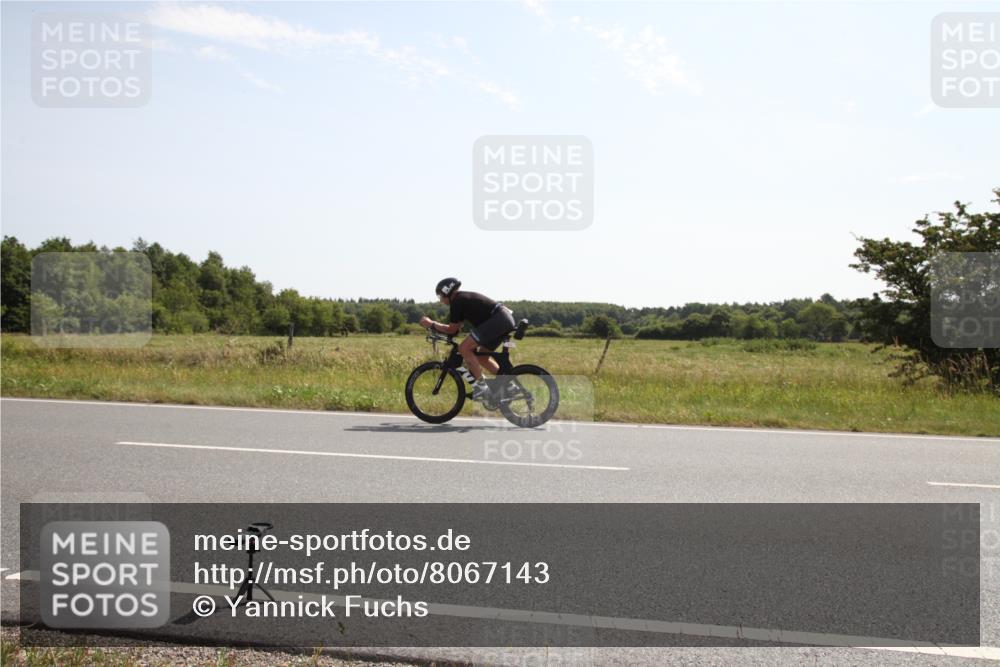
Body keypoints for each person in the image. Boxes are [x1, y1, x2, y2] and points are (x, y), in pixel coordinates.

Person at [419, 277, 515, 401]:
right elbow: (456, 329)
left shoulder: (457, 301)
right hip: (503, 319)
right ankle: (510, 386)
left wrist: (431, 324)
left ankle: (482, 388)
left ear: (447, 292)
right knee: (481, 357)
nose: (441, 300)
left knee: (464, 348)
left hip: (499, 320)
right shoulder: (461, 299)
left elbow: (451, 330)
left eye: (441, 296)